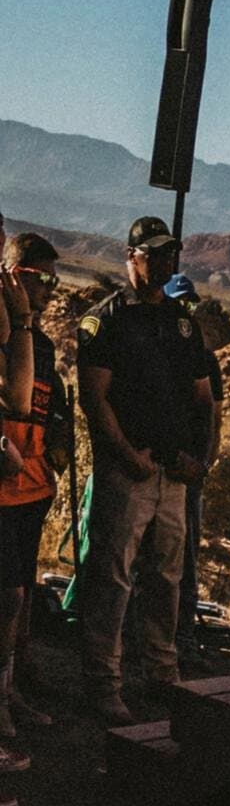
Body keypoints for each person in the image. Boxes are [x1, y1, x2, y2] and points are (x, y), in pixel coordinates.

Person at [74, 216, 218, 725]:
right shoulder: (106, 319)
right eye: (152, 253)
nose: (163, 262)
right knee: (112, 580)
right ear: (131, 256)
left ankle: (162, 676)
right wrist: (125, 455)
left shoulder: (182, 323)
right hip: (127, 470)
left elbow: (205, 399)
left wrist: (202, 458)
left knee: (167, 578)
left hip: (173, 473)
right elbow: (94, 399)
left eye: (170, 254)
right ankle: (103, 683)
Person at [0, 229, 61, 761]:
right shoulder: (8, 331)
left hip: (31, 488)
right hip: (4, 485)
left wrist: (55, 460)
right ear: (18, 275)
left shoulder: (41, 342)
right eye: (42, 279)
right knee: (7, 598)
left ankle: (11, 690)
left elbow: (45, 406)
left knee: (19, 596)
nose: (50, 291)